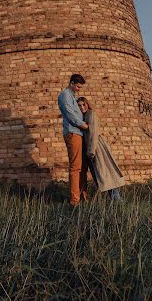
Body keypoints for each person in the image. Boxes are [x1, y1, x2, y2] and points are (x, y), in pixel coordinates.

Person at [77, 97, 125, 201]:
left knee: (105, 175)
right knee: (103, 176)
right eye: (79, 106)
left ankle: (118, 201)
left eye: (83, 104)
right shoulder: (84, 116)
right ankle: (115, 200)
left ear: (87, 104)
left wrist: (91, 151)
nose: (82, 107)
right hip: (92, 148)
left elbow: (93, 133)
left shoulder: (91, 114)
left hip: (96, 148)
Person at [57, 74, 89, 206]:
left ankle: (84, 197)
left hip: (79, 133)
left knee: (82, 167)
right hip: (73, 133)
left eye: (80, 87)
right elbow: (71, 115)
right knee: (76, 167)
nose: (78, 89)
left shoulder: (73, 96)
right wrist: (84, 125)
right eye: (77, 86)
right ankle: (75, 201)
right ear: (71, 83)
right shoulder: (65, 95)